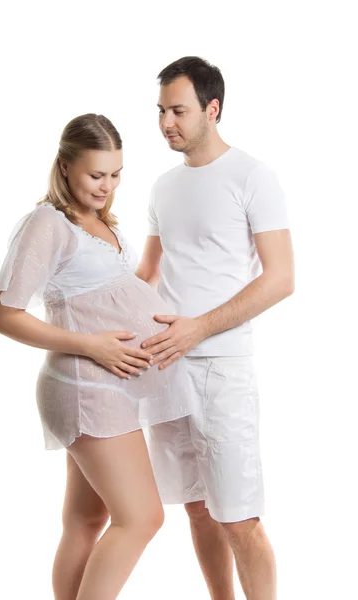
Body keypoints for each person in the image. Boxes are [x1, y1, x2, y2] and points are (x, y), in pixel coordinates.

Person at [0, 113, 192, 600]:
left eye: (116, 174)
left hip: (109, 387)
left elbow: (108, 296)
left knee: (86, 519)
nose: (107, 186)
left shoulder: (100, 221)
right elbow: (5, 315)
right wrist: (93, 345)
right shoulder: (47, 223)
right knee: (141, 517)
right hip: (86, 387)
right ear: (64, 168)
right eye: (95, 175)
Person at [136, 57, 295, 600]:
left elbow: (281, 279)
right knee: (197, 508)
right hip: (165, 368)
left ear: (212, 108)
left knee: (239, 517)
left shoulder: (253, 176)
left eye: (177, 111)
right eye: (160, 111)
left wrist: (198, 329)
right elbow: (148, 273)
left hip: (222, 370)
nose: (165, 123)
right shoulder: (161, 187)